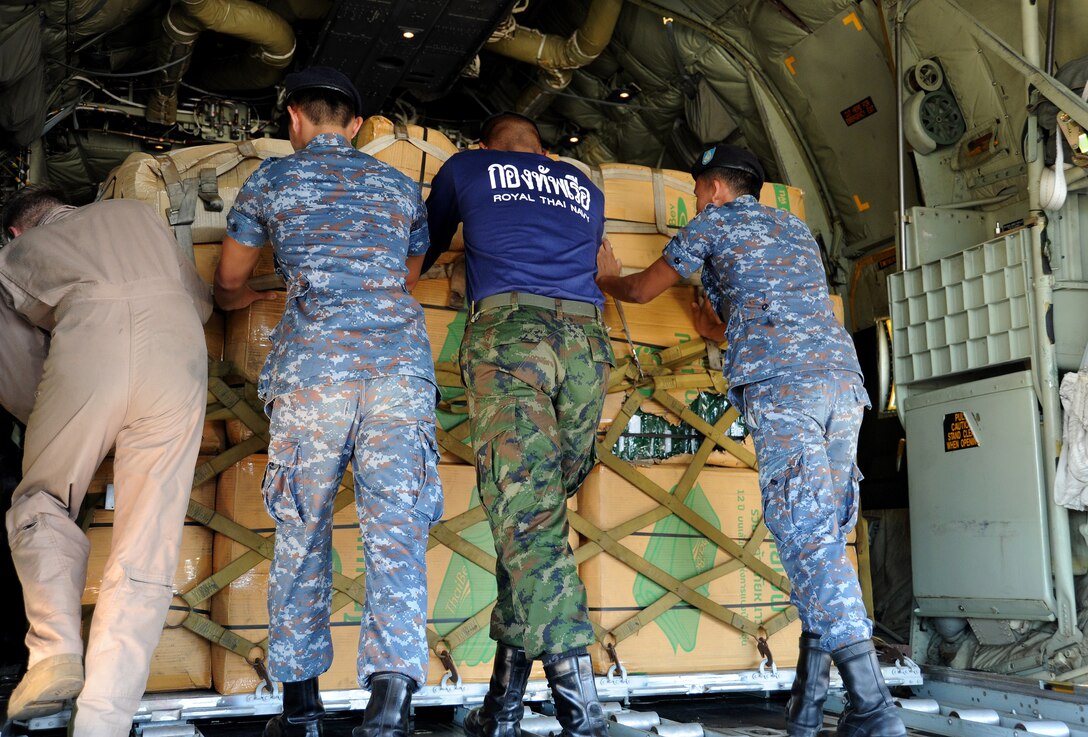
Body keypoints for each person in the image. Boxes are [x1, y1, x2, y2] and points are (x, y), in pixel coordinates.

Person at [595, 144, 907, 737]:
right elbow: (732, 321)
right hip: (842, 385)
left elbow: (638, 292)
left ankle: (872, 705)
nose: (694, 201)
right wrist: (712, 321)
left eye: (695, 191)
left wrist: (605, 273)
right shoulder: (795, 231)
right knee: (828, 537)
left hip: (783, 386)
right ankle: (809, 705)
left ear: (713, 189)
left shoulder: (713, 222)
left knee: (807, 536)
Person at [214, 66, 443, 737]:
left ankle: (302, 710)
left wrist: (260, 292)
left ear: (294, 119)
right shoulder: (402, 187)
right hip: (400, 370)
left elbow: (228, 282)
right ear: (356, 125)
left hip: (316, 371)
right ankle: (391, 703)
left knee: (303, 526)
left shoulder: (273, 181)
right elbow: (404, 279)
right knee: (397, 531)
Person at [423, 112, 614, 737]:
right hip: (586, 349)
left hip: (512, 341)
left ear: (485, 146)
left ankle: (581, 714)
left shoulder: (465, 168)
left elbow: (423, 249)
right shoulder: (585, 188)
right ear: (546, 150)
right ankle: (502, 706)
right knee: (528, 515)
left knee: (527, 520)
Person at [0, 186, 211, 735]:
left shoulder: (21, 252)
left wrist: (46, 418)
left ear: (20, 229)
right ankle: (104, 721)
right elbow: (202, 298)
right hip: (179, 354)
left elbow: (13, 347)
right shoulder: (140, 215)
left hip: (93, 344)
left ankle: (53, 651)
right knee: (147, 544)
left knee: (41, 498)